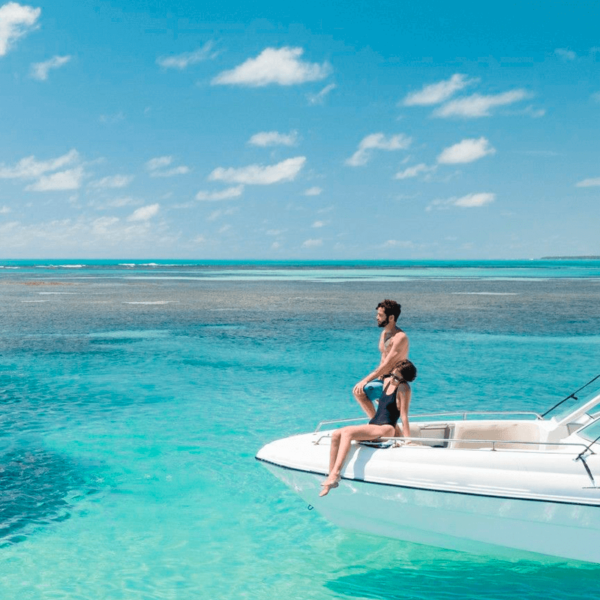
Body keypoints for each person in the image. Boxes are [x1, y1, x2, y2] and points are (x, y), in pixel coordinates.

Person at [320, 359, 417, 497]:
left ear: (405, 378)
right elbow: (377, 378)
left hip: (386, 427)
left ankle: (336, 474)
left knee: (347, 432)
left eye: (398, 378)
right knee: (336, 434)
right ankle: (331, 478)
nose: (394, 379)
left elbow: (404, 416)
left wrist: (407, 440)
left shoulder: (404, 388)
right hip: (375, 423)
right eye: (393, 374)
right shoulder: (387, 380)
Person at [352, 300, 409, 420]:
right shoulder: (384, 334)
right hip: (382, 381)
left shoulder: (400, 337)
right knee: (360, 393)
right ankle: (377, 424)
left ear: (391, 317)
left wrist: (365, 380)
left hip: (394, 382)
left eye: (380, 315)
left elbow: (388, 364)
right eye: (378, 314)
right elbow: (383, 360)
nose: (377, 317)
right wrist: (378, 378)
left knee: (360, 391)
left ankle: (375, 425)